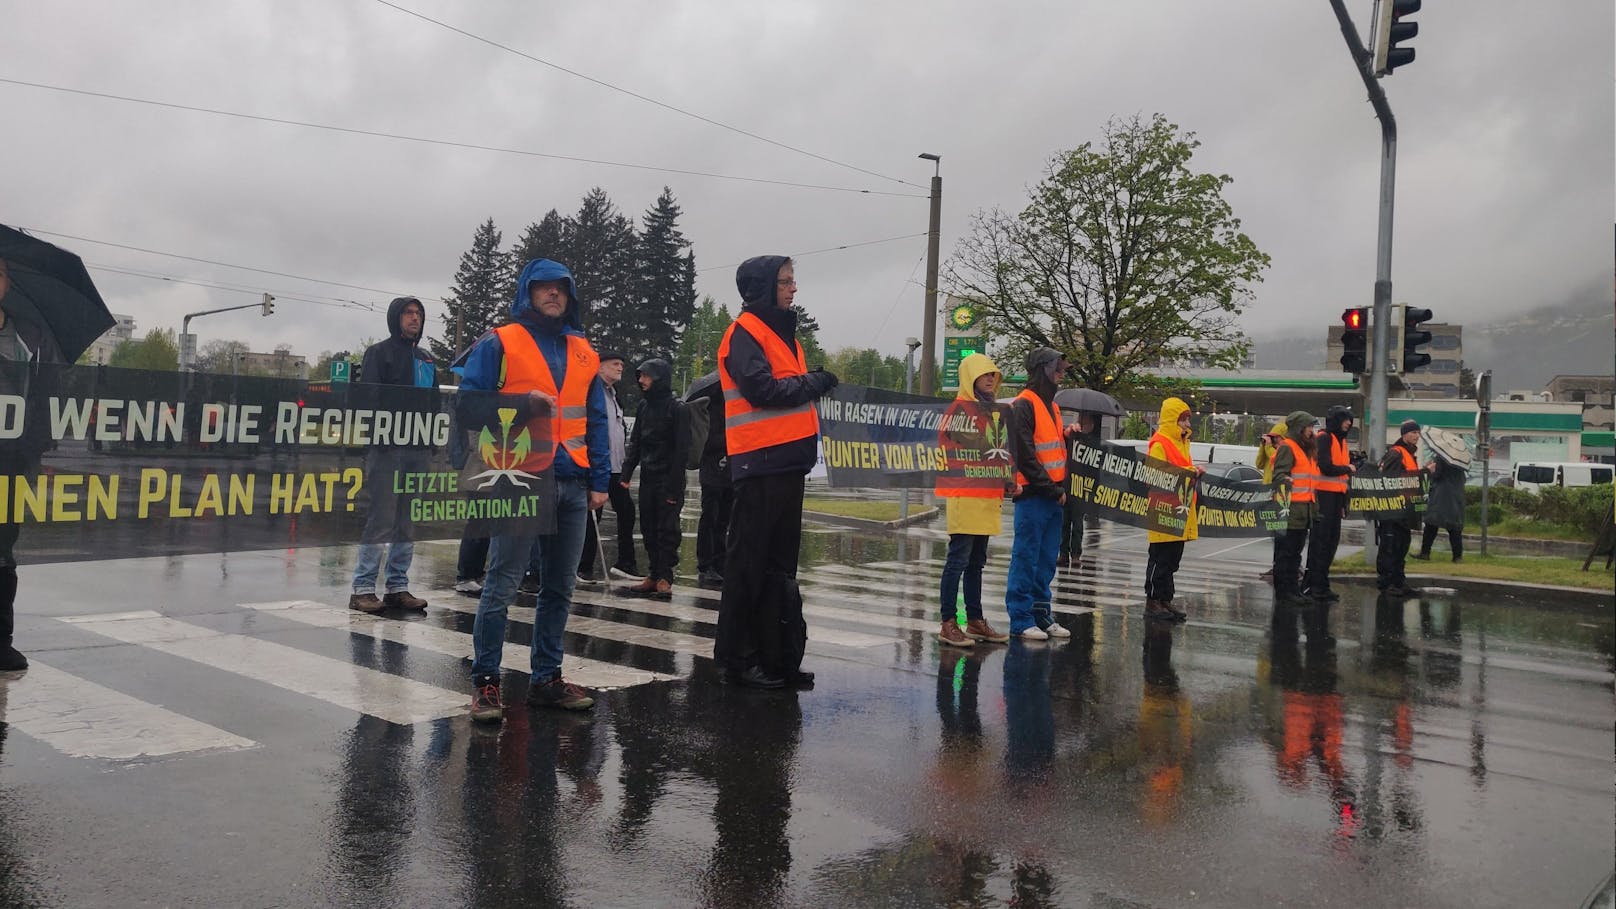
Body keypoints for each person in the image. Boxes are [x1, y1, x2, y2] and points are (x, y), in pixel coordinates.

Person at [458, 258, 610, 721]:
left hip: (572, 481)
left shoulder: (584, 351)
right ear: (527, 291)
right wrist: (523, 404)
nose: (553, 295)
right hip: (519, 479)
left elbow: (596, 418)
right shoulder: (500, 341)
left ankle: (546, 679)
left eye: (561, 289)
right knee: (502, 584)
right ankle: (486, 684)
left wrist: (599, 479)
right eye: (543, 288)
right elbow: (467, 407)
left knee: (560, 588)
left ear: (571, 296)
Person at [713, 255, 838, 689]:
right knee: (748, 564)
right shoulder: (744, 332)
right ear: (763, 288)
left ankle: (776, 655)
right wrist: (816, 382)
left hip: (787, 463)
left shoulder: (786, 337)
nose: (794, 288)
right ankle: (736, 658)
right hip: (759, 463)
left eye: (793, 280)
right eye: (785, 281)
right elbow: (762, 389)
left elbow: (789, 391)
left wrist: (811, 383)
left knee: (780, 567)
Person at [347, 296, 435, 614]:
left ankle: (397, 587)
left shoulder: (426, 359)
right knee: (381, 518)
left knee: (407, 520)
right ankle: (363, 588)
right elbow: (368, 397)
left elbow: (433, 403)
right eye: (408, 313)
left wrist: (432, 441)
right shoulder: (378, 353)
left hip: (417, 450)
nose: (414, 319)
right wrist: (379, 438)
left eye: (419, 314)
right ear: (396, 318)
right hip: (386, 450)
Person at [0, 258, 64, 673]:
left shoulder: (30, 335)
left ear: (7, 282)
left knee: (3, 549)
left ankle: (1, 640)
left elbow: (47, 394)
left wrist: (37, 453)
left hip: (9, 462)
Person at [933, 352, 1014, 648]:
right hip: (965, 495)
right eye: (985, 375)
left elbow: (999, 452)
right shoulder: (959, 411)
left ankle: (975, 620)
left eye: (994, 375)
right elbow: (982, 446)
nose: (992, 379)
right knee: (958, 560)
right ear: (971, 379)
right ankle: (948, 623)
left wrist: (1008, 479)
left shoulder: (991, 413)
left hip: (985, 498)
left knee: (977, 563)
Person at [1004, 347, 1071, 641]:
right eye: (1057, 366)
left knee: (1045, 560)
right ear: (1042, 367)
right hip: (1034, 496)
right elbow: (1026, 455)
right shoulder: (1024, 404)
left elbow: (1051, 450)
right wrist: (1051, 489)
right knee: (1026, 557)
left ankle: (1042, 614)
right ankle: (1021, 618)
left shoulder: (1052, 407)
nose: (1061, 372)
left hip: (1052, 496)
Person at [620, 358, 690, 598]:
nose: (641, 381)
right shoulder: (643, 407)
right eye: (640, 376)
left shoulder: (678, 408)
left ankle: (664, 576)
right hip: (649, 477)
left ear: (659, 378)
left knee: (666, 529)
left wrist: (673, 487)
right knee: (648, 526)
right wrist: (627, 472)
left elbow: (682, 450)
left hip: (669, 478)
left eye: (646, 376)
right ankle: (653, 572)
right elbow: (636, 442)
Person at [576, 350, 638, 584]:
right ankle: (583, 566)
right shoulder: (593, 392)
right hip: (597, 464)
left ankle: (625, 562)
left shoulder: (614, 395)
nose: (620, 368)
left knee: (627, 512)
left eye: (621, 364)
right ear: (599, 367)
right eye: (614, 363)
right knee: (593, 514)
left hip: (615, 466)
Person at [1144, 397, 1204, 623]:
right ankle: (1152, 601)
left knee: (1171, 559)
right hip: (1163, 510)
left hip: (1178, 510)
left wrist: (1193, 472)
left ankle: (1165, 599)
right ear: (1173, 420)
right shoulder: (1160, 442)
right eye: (1184, 419)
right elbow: (1155, 475)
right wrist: (1191, 470)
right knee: (1159, 558)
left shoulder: (1182, 442)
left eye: (1188, 420)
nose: (1188, 424)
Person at [1303, 405, 1356, 603]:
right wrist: (1348, 468)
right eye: (1344, 419)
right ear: (1335, 420)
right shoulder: (1324, 438)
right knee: (1320, 542)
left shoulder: (1341, 442)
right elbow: (1325, 466)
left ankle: (1322, 585)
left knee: (1331, 543)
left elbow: (1340, 477)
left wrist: (1343, 503)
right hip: (1323, 497)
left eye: (1349, 420)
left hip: (1335, 498)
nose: (1348, 423)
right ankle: (1313, 585)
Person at [1269, 411, 1320, 607]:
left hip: (1303, 510)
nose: (1312, 431)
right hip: (1288, 510)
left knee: (1295, 553)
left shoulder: (1306, 449)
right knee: (1286, 554)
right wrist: (1285, 479)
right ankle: (1285, 591)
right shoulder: (1288, 447)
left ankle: (1293, 590)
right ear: (1300, 428)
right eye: (1309, 427)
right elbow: (1278, 475)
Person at [687, 374, 732, 589]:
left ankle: (720, 561)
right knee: (711, 514)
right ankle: (706, 564)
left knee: (725, 516)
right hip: (712, 458)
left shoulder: (737, 391)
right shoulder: (713, 391)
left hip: (732, 458)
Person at [1376, 420, 1428, 595]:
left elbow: (1411, 481)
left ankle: (1398, 581)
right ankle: (1387, 583)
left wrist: (1425, 472)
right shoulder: (1396, 453)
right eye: (1413, 432)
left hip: (1405, 510)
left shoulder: (1409, 454)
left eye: (1418, 432)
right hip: (1393, 510)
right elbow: (1388, 481)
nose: (1416, 436)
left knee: (1402, 546)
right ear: (1404, 434)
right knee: (1390, 546)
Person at [1414, 446, 1466, 562]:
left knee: (1431, 524)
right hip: (1456, 497)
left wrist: (1429, 470)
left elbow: (1436, 476)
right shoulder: (1460, 462)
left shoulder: (1441, 458)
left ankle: (1425, 552)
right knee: (1454, 527)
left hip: (1441, 496)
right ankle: (1457, 557)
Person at [1058, 413, 1097, 568]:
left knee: (1077, 524)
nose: (1084, 426)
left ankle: (1075, 554)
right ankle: (1063, 553)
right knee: (1064, 523)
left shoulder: (1091, 444)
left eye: (1087, 424)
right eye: (1082, 423)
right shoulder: (1070, 438)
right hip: (1066, 486)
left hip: (1080, 488)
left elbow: (1093, 469)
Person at [1255, 420, 1287, 582]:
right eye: (1271, 437)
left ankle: (1288, 567)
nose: (1273, 440)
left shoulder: (1281, 452)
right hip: (1268, 496)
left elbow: (1277, 464)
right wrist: (1263, 446)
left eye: (1275, 438)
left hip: (1280, 498)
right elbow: (1259, 463)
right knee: (1274, 534)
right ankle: (1277, 566)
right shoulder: (1270, 451)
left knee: (1281, 535)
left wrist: (1268, 447)